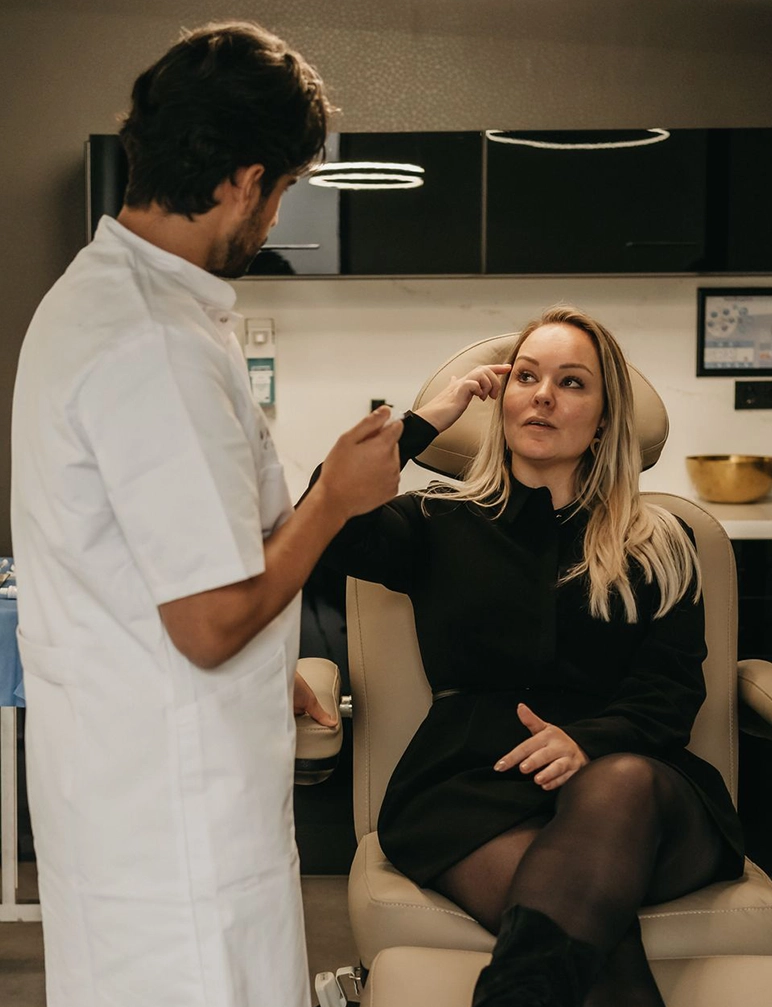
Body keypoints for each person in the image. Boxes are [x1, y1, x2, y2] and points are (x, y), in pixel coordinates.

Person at [10, 21, 402, 1007]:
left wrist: (274, 669)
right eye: (282, 189)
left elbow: (156, 561)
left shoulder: (107, 297)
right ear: (243, 181)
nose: (273, 216)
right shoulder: (154, 344)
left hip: (128, 771)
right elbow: (209, 619)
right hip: (171, 814)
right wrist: (333, 497)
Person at [311, 305, 745, 1007]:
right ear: (502, 398)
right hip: (476, 790)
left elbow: (669, 690)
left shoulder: (660, 540)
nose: (543, 395)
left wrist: (588, 741)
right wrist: (426, 421)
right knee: (587, 941)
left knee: (619, 784)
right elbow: (324, 515)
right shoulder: (437, 520)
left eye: (572, 382)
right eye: (526, 377)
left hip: (633, 787)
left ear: (603, 420)